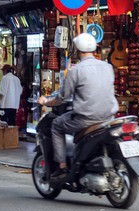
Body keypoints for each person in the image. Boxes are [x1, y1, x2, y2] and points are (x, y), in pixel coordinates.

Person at [38, 33, 118, 180]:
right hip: (109, 118)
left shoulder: (76, 71)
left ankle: (62, 167)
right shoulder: (108, 67)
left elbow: (62, 98)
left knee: (56, 125)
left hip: (86, 119)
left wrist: (45, 101)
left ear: (78, 51)